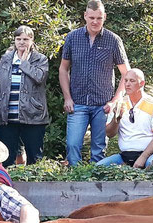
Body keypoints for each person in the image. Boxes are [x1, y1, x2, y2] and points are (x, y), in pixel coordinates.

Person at [59, 0, 129, 166]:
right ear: (85, 16)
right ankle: (75, 181)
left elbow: (126, 74)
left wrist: (114, 101)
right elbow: (63, 69)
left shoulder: (113, 40)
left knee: (98, 149)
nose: (95, 21)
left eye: (99, 18)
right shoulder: (72, 38)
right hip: (77, 103)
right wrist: (67, 98)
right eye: (91, 18)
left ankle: (96, 183)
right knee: (72, 145)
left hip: (103, 106)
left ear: (104, 17)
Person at [0, 25, 49, 166]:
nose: (22, 42)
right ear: (14, 41)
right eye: (18, 39)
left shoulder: (40, 59)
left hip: (33, 116)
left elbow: (40, 77)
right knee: (6, 159)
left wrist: (23, 63)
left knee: (35, 159)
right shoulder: (6, 58)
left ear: (32, 40)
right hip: (7, 116)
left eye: (25, 39)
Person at [96, 68, 153, 169]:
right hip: (124, 156)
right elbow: (109, 134)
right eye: (126, 80)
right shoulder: (119, 104)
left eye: (132, 81)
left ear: (141, 83)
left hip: (150, 155)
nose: (127, 84)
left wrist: (143, 157)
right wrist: (117, 119)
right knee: (98, 168)